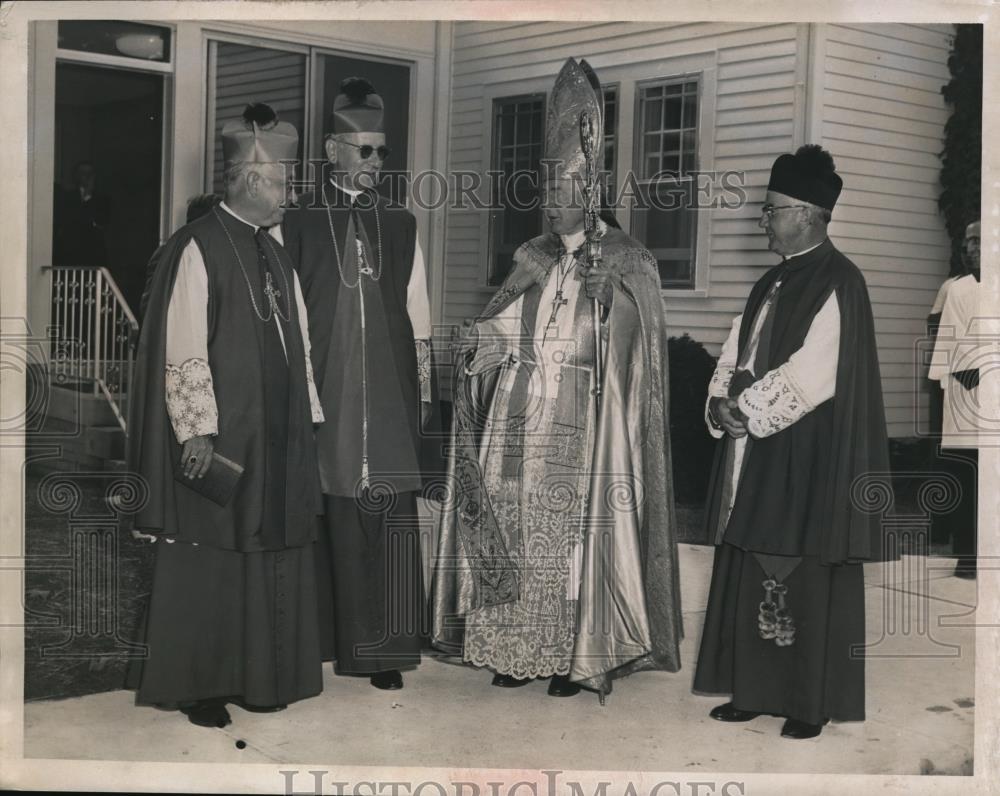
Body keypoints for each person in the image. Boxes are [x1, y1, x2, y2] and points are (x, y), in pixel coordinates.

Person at [431, 58, 682, 699]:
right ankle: (510, 647)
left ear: (589, 192)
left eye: (560, 193)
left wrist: (612, 301)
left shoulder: (628, 260)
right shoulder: (533, 257)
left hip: (581, 420)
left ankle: (573, 655)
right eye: (545, 192)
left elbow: (641, 352)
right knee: (509, 530)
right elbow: (506, 325)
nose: (548, 204)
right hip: (517, 415)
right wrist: (480, 340)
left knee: (567, 542)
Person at [124, 103, 325, 728]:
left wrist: (307, 414)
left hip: (279, 433)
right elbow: (182, 343)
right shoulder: (198, 245)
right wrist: (197, 431)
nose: (290, 197)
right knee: (211, 554)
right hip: (223, 435)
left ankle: (261, 676)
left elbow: (302, 343)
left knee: (268, 547)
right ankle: (201, 686)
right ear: (254, 181)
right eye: (285, 184)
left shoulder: (278, 252)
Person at [694, 145, 891, 739]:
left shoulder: (841, 281)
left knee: (799, 567)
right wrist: (718, 401)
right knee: (753, 559)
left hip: (805, 450)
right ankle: (754, 690)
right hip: (756, 443)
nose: (763, 219)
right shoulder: (771, 280)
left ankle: (807, 701)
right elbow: (737, 350)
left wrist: (747, 410)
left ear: (807, 213)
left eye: (772, 209)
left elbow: (815, 371)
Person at [281, 77, 435, 691]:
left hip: (389, 395)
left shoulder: (401, 225)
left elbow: (417, 318)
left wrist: (420, 396)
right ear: (332, 150)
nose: (375, 163)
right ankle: (319, 641)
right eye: (364, 151)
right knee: (327, 507)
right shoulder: (296, 222)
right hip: (326, 393)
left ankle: (383, 653)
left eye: (382, 152)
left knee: (388, 513)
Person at [929, 220, 981, 579]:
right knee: (966, 476)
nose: (971, 247)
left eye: (979, 240)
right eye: (968, 241)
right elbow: (947, 340)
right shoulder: (958, 290)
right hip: (966, 396)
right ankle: (968, 555)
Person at [53, 160, 111, 267]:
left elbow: (102, 222)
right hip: (70, 252)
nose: (87, 176)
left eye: (90, 173)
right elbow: (67, 220)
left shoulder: (102, 199)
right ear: (76, 176)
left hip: (93, 253)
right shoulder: (66, 197)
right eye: (84, 173)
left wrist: (88, 197)